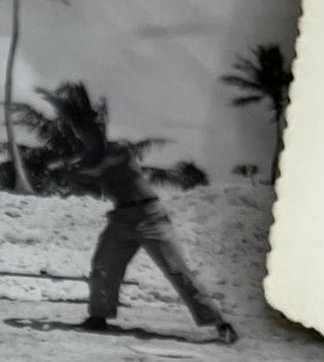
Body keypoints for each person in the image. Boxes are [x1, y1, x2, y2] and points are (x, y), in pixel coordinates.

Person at [67, 128, 237, 345]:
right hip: (121, 217)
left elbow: (99, 168)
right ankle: (98, 316)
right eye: (83, 136)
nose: (85, 139)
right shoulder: (93, 161)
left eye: (88, 135)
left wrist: (73, 169)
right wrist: (73, 174)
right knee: (103, 265)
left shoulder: (117, 149)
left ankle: (218, 322)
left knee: (176, 270)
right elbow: (91, 183)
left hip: (150, 216)